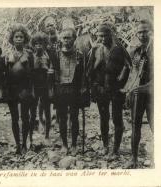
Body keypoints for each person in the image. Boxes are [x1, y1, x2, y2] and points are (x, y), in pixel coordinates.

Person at [88, 24, 130, 160]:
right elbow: (89, 71)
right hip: (101, 88)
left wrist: (123, 79)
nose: (102, 38)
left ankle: (116, 149)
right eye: (99, 36)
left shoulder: (118, 49)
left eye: (104, 35)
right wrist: (96, 60)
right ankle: (105, 146)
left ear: (110, 35)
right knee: (103, 118)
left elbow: (129, 65)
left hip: (116, 89)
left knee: (117, 118)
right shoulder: (96, 50)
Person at [124, 20, 153, 168]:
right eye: (139, 32)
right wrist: (129, 90)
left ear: (151, 32)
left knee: (155, 124)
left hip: (152, 94)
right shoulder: (134, 51)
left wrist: (145, 87)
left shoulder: (157, 50)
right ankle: (134, 158)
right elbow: (132, 74)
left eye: (145, 31)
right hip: (137, 93)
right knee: (135, 125)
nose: (142, 35)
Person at [2, 24, 34, 154]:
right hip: (12, 89)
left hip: (25, 88)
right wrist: (4, 91)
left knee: (25, 117)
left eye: (21, 37)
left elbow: (33, 73)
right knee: (14, 118)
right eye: (16, 37)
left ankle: (25, 143)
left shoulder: (30, 54)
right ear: (12, 39)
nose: (19, 39)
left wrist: (31, 90)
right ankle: (17, 144)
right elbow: (4, 75)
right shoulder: (7, 55)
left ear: (25, 39)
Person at [53, 28, 85, 156]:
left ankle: (74, 144)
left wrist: (83, 88)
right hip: (60, 89)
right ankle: (64, 144)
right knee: (62, 118)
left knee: (74, 117)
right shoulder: (56, 54)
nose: (66, 40)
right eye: (64, 38)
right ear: (61, 39)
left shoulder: (79, 55)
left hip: (74, 89)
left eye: (69, 38)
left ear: (74, 39)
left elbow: (83, 74)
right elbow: (53, 71)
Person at [30, 32, 54, 146]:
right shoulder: (31, 56)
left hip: (45, 85)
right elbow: (30, 74)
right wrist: (32, 89)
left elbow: (51, 73)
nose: (38, 46)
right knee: (33, 111)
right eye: (36, 44)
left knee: (47, 111)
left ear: (45, 44)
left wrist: (50, 89)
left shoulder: (48, 56)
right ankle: (31, 135)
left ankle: (47, 135)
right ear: (33, 45)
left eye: (41, 44)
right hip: (35, 86)